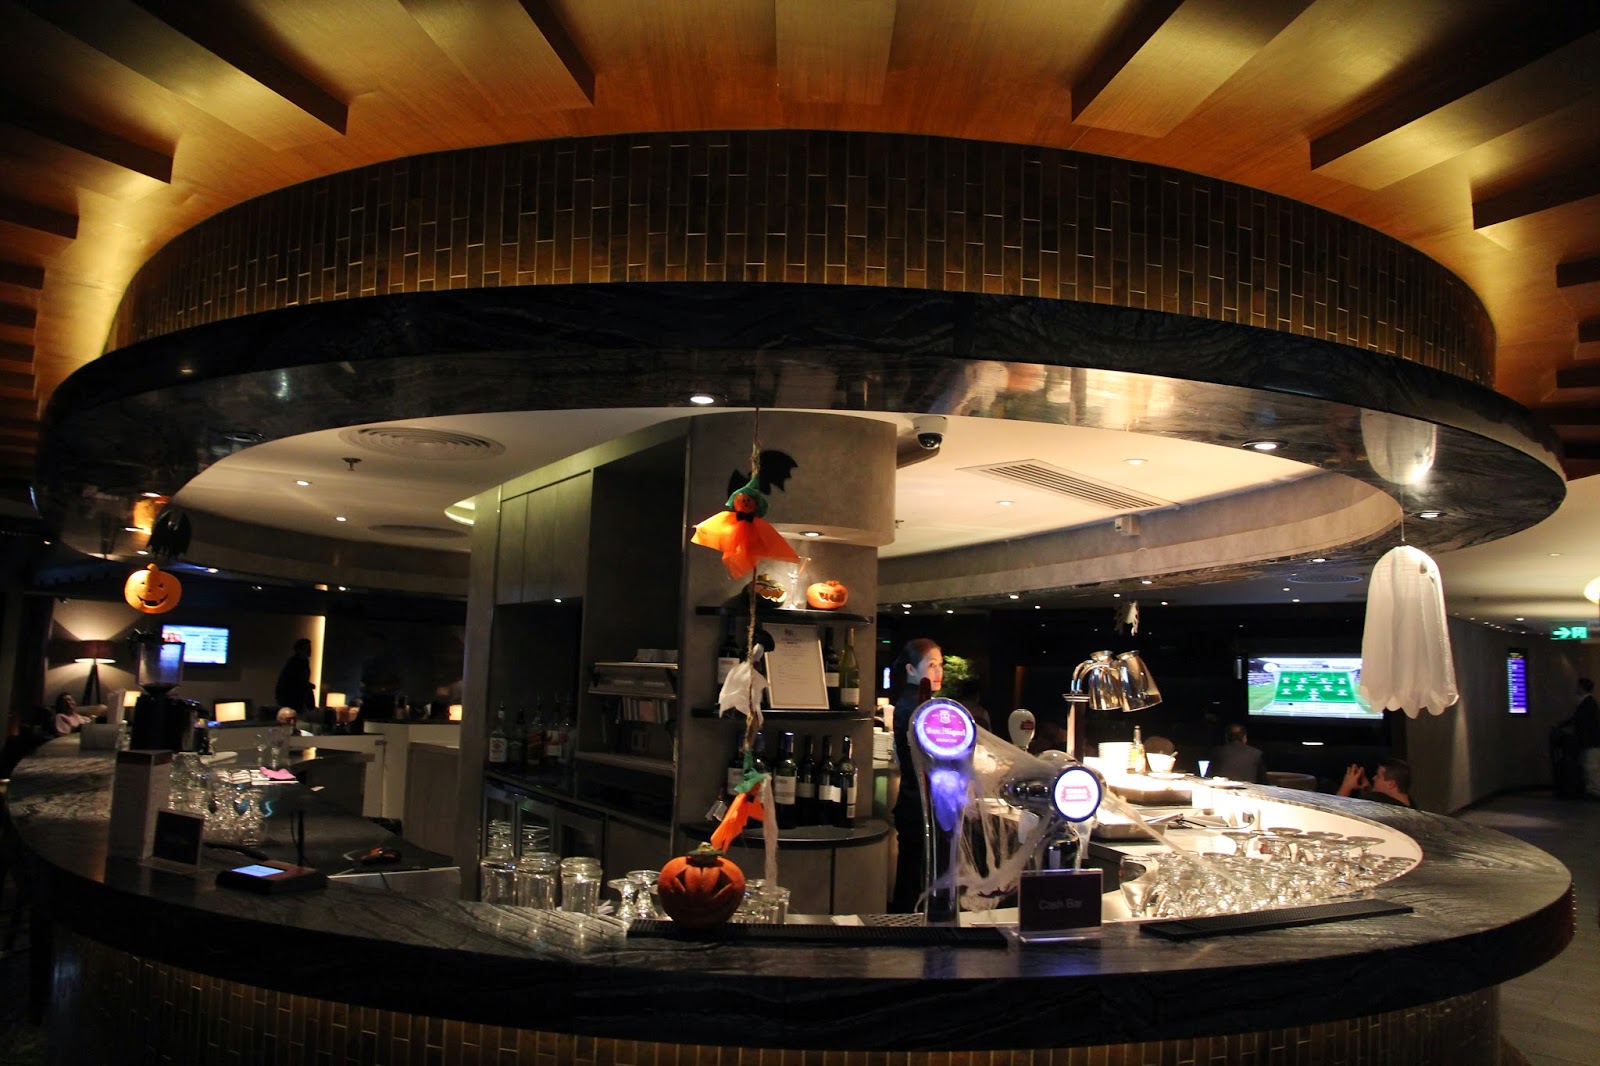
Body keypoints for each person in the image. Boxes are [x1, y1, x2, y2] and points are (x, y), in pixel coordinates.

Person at [889, 638, 943, 913]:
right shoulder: (915, 706)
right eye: (931, 665)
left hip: (915, 804)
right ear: (911, 670)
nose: (938, 671)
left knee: (912, 878)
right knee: (915, 883)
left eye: (940, 664)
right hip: (918, 805)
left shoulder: (917, 703)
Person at [358, 634, 403, 728]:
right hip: (369, 702)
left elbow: (399, 683)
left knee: (382, 728)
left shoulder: (392, 664)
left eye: (377, 644)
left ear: (384, 646)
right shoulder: (368, 663)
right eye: (372, 644)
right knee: (362, 727)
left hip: (385, 703)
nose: (374, 647)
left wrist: (382, 688)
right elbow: (363, 682)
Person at [1338, 758, 1413, 807]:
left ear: (1391, 784)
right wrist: (1367, 788)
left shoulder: (1381, 805)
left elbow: (1336, 814)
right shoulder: (1409, 804)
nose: (1373, 778)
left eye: (1378, 776)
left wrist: (1346, 787)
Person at [273, 638, 316, 718]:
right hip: (292, 699)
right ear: (299, 650)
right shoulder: (294, 664)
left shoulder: (303, 662)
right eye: (307, 648)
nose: (310, 650)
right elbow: (294, 682)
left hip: (297, 699)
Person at [1572, 678, 1600, 798]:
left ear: (1582, 688)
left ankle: (1595, 791)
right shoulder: (1588, 702)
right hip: (1590, 741)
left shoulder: (1587, 703)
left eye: (1578, 686)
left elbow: (1580, 721)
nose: (1576, 688)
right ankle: (1593, 790)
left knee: (1591, 767)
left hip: (1590, 741)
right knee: (1589, 767)